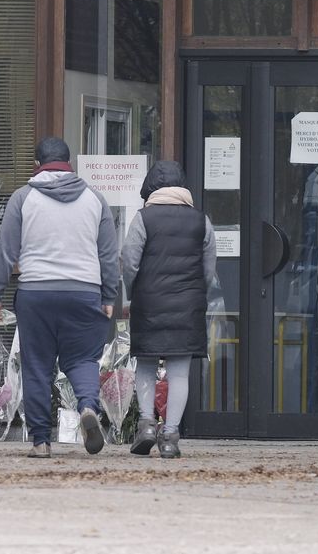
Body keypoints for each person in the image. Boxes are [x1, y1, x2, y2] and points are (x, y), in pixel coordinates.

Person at [0, 136, 119, 458]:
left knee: (37, 366)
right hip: (84, 291)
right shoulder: (94, 198)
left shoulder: (23, 197)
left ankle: (41, 442)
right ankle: (88, 408)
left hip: (36, 292)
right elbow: (108, 254)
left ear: (37, 164)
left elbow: (6, 250)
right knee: (83, 360)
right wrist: (109, 294)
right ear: (69, 163)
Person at [120, 160, 216, 459]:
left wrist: (133, 291)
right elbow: (208, 270)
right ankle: (171, 434)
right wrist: (196, 293)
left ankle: (147, 424)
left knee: (146, 367)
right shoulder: (202, 221)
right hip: (187, 305)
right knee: (179, 373)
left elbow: (129, 261)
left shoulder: (143, 219)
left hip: (149, 303)